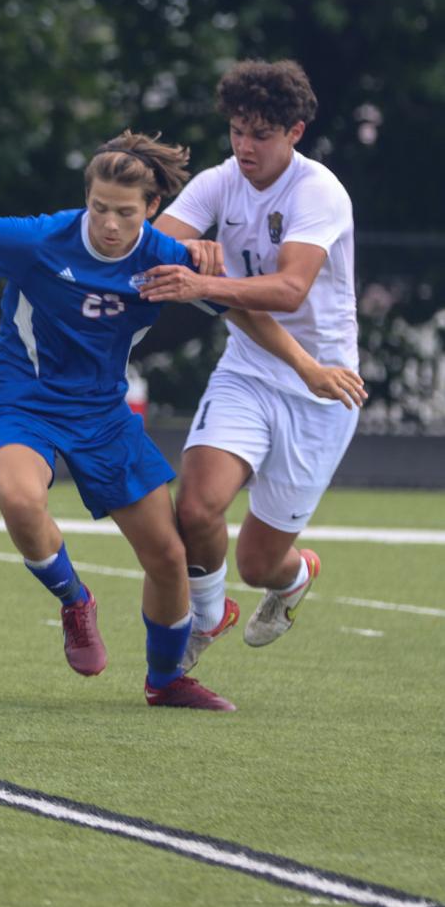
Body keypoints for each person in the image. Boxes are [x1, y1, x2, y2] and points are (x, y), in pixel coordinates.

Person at [0, 131, 364, 711]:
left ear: (152, 210)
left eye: (126, 213)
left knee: (167, 558)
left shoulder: (164, 259)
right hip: (23, 401)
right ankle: (74, 602)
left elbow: (241, 310)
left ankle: (165, 681)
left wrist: (309, 367)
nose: (110, 224)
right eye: (100, 208)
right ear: (87, 198)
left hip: (104, 415)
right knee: (18, 498)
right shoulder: (39, 240)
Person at [140, 60, 366, 669]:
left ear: (294, 133)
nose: (245, 145)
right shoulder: (220, 181)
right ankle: (209, 617)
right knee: (195, 507)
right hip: (246, 371)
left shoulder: (317, 191)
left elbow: (290, 290)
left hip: (323, 387)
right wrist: (186, 250)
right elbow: (154, 245)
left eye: (260, 134)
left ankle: (294, 577)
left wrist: (203, 283)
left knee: (258, 563)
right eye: (238, 129)